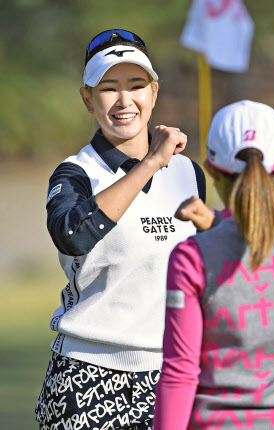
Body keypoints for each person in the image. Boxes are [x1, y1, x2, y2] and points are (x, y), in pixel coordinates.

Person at [35, 29, 206, 430]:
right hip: (85, 376)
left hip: (170, 375)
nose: (124, 101)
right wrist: (151, 162)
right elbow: (72, 235)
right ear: (87, 99)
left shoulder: (188, 173)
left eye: (136, 85)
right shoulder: (77, 173)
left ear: (155, 92)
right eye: (109, 88)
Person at [154, 100, 274, 430]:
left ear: (210, 168)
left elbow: (180, 374)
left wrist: (217, 223)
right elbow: (258, 234)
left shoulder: (191, 258)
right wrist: (218, 222)